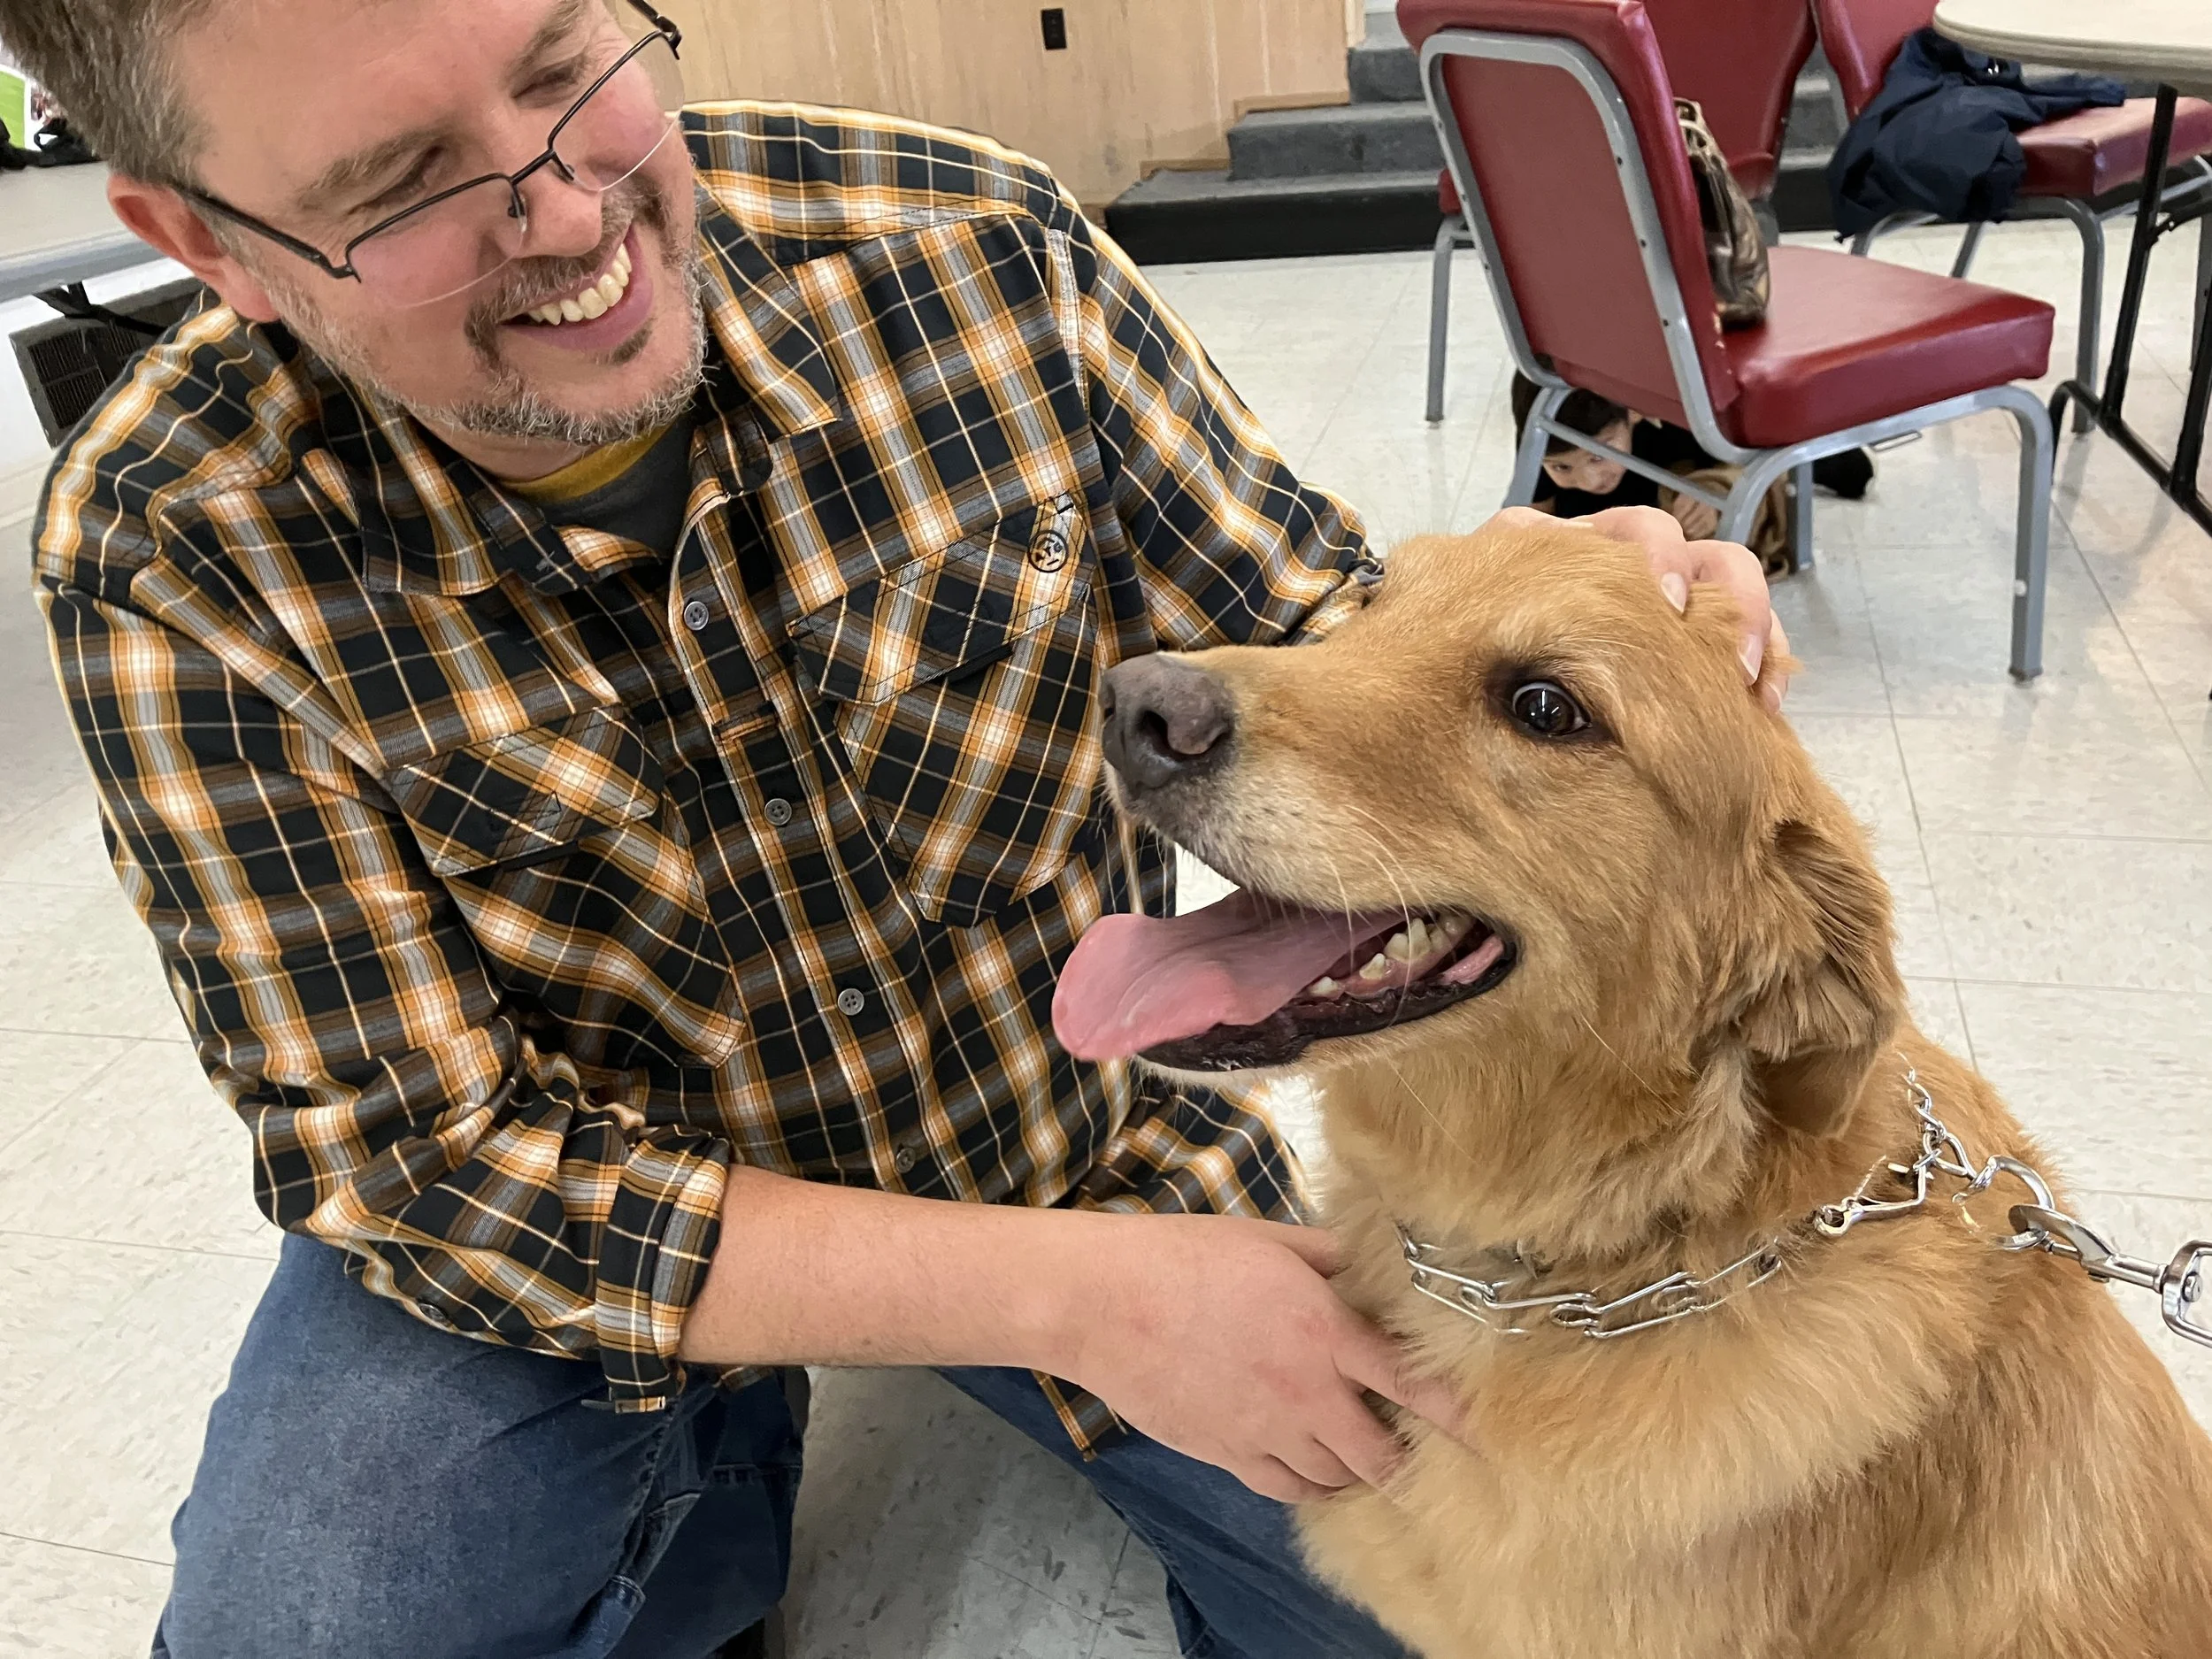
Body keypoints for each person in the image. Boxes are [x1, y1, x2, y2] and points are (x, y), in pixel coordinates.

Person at [4, 3, 1786, 1655]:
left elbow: (1312, 639)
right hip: (600, 1241)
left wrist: (1556, 624)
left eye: (563, 69)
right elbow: (421, 1159)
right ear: (208, 246)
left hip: (1078, 1138)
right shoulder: (175, 540)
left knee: (1515, 1608)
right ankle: (709, 1498)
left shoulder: (972, 255)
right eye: (400, 187)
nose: (564, 213)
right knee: (307, 1614)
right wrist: (1074, 1307)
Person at [1510, 372, 1873, 566]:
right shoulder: (1544, 438)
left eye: (1598, 455)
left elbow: (1749, 462)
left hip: (1684, 465)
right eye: (1562, 467)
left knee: (1845, 469)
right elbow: (1530, 526)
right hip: (1626, 513)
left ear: (1633, 414)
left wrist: (1718, 496)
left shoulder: (1679, 423)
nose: (1588, 479)